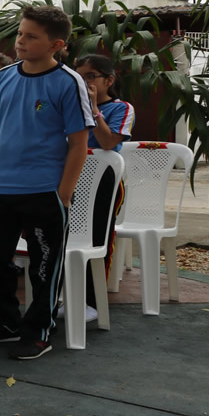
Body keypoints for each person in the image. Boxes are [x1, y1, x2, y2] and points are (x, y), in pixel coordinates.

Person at [0, 5, 93, 361]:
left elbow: (79, 143)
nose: (21, 41)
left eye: (31, 36)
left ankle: (38, 331)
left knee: (43, 266)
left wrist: (63, 195)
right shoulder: (4, 77)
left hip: (43, 191)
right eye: (20, 33)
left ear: (56, 44)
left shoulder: (69, 82)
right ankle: (5, 323)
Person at [73, 53, 135, 321]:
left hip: (103, 182)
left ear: (108, 80)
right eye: (79, 76)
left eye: (90, 76)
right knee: (66, 239)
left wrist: (93, 109)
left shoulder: (121, 108)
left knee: (97, 238)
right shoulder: (70, 105)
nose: (85, 82)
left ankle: (92, 301)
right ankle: (68, 294)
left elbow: (108, 142)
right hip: (69, 178)